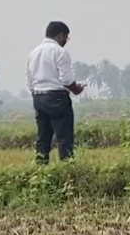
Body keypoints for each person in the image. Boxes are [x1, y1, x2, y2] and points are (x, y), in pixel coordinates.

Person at [25, 21, 85, 164]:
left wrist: (36, 94)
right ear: (60, 35)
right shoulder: (59, 52)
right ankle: (67, 169)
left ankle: (41, 169)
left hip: (39, 97)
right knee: (64, 138)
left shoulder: (33, 53)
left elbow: (29, 80)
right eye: (66, 37)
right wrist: (76, 89)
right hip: (57, 97)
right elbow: (66, 79)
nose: (66, 41)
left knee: (43, 139)